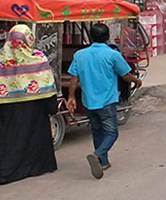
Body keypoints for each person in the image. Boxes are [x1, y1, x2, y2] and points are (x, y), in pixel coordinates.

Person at [68, 22, 143, 179]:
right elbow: (125, 75)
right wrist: (136, 81)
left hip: (88, 101)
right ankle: (98, 155)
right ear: (108, 37)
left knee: (97, 131)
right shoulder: (112, 55)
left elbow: (74, 79)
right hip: (106, 101)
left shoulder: (79, 55)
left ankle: (104, 162)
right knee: (111, 132)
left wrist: (71, 97)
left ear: (90, 37)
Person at [0, 24, 60, 184]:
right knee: (34, 137)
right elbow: (47, 85)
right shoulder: (38, 59)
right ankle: (38, 166)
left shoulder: (2, 60)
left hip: (7, 110)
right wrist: (52, 108)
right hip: (35, 110)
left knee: (9, 138)